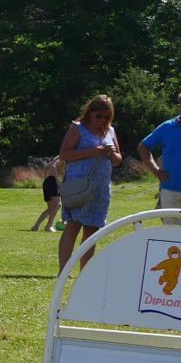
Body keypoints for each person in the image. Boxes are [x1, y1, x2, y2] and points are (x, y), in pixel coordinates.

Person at [57, 94, 122, 271]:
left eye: (106, 116)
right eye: (98, 116)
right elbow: (64, 154)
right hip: (79, 186)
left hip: (100, 189)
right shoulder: (78, 128)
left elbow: (118, 160)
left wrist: (111, 154)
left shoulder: (111, 131)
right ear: (90, 113)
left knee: (92, 230)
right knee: (73, 226)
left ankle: (84, 272)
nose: (102, 120)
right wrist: (94, 151)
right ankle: (63, 271)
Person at [30, 157, 62, 232]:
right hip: (52, 182)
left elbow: (47, 167)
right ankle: (49, 226)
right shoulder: (60, 159)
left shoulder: (59, 160)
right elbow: (51, 166)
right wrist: (58, 183)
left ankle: (36, 226)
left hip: (49, 182)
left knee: (52, 207)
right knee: (57, 205)